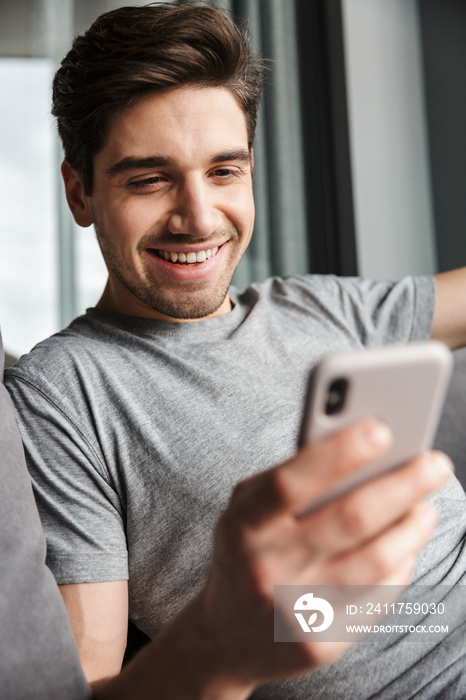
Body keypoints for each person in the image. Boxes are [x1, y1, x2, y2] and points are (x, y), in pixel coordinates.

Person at [5, 3, 466, 698]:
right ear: (81, 193)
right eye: (149, 178)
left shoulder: (316, 305)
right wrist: (222, 644)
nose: (198, 217)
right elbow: (86, 684)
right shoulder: (62, 392)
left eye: (224, 171)